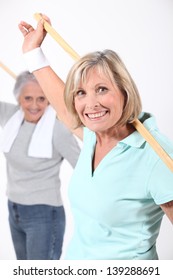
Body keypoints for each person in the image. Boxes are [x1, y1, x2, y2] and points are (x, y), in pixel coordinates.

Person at [18, 15, 173, 260]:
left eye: (102, 89)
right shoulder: (93, 134)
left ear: (124, 91)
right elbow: (63, 106)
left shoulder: (156, 155)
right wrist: (33, 52)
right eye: (80, 92)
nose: (91, 104)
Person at [0, 70, 80, 260]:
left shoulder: (58, 129)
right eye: (28, 98)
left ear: (49, 100)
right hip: (14, 209)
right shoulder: (10, 115)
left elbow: (84, 166)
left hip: (44, 214)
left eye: (41, 99)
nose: (34, 105)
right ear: (19, 98)